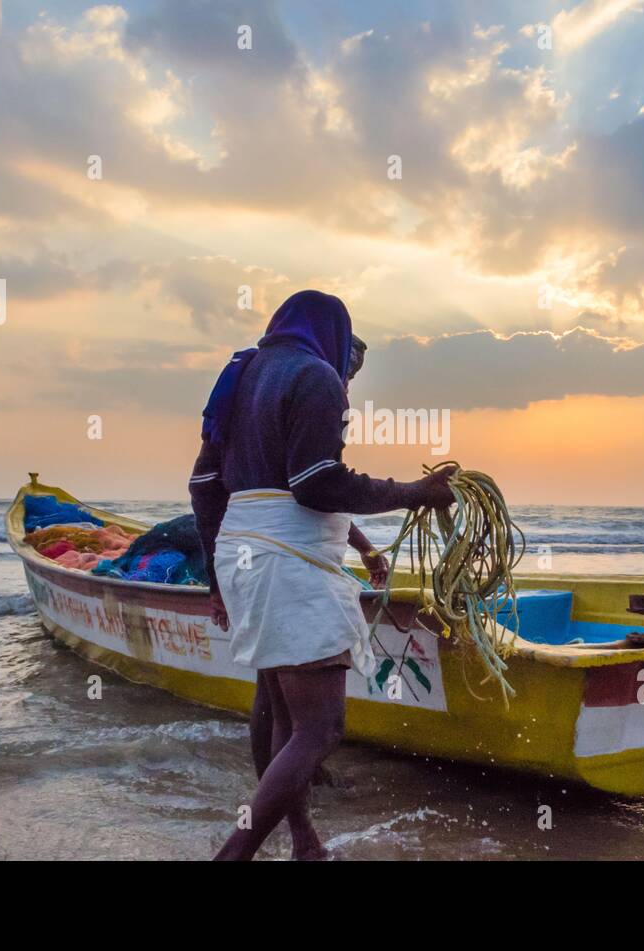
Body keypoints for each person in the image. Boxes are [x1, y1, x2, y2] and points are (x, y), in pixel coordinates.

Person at [188, 290, 455, 861]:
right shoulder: (314, 377)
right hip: (290, 563)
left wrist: (218, 574)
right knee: (322, 725)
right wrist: (413, 494)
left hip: (248, 554)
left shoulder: (243, 374)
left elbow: (206, 486)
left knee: (284, 712)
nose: (349, 375)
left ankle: (304, 842)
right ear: (333, 336)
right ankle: (234, 855)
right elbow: (316, 482)